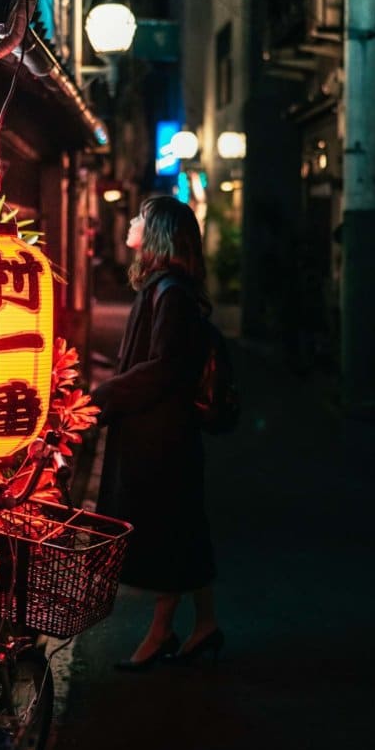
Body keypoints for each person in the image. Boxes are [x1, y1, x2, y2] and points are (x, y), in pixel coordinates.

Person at [90, 194, 224, 671]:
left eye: (142, 219)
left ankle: (163, 631)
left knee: (169, 528)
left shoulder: (170, 293)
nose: (131, 223)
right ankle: (199, 625)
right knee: (182, 526)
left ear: (159, 234)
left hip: (161, 433)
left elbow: (164, 366)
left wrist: (101, 397)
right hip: (165, 430)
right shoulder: (168, 288)